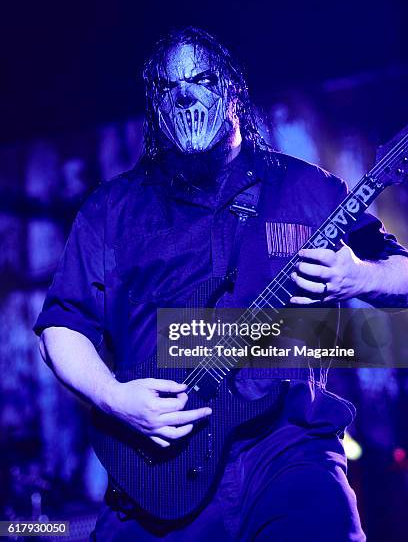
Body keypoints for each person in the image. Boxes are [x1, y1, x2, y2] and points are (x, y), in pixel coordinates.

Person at [34, 27, 408, 541]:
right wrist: (113, 396)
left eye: (200, 80)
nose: (185, 95)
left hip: (289, 451)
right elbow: (62, 325)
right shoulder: (111, 209)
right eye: (168, 87)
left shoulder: (307, 187)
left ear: (232, 88)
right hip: (159, 471)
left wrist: (358, 276)